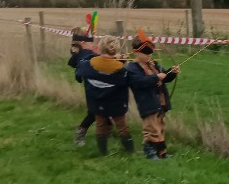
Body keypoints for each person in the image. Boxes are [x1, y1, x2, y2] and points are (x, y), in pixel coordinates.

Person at [74, 35, 135, 155]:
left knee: (100, 126)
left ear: (100, 48)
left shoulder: (88, 65)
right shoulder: (121, 71)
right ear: (116, 50)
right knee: (122, 127)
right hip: (116, 104)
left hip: (97, 103)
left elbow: (80, 71)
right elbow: (127, 79)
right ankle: (130, 152)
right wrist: (122, 63)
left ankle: (103, 153)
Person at [124, 32, 178, 160]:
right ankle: (149, 152)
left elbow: (164, 76)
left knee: (160, 128)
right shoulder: (132, 68)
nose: (149, 56)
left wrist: (172, 72)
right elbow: (139, 83)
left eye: (150, 53)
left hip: (160, 102)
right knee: (151, 130)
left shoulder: (153, 65)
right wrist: (155, 77)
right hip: (147, 103)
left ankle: (161, 153)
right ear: (136, 52)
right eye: (146, 53)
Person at [67, 26, 97, 147]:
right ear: (84, 42)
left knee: (105, 109)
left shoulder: (85, 53)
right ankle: (80, 132)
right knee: (94, 112)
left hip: (97, 86)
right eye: (91, 42)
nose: (92, 44)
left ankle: (106, 133)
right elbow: (81, 70)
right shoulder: (85, 56)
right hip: (93, 87)